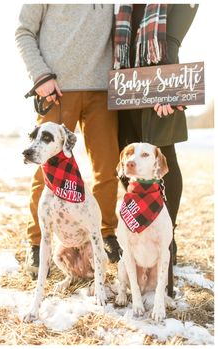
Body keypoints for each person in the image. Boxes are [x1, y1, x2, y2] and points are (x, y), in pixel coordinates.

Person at [15, 4, 121, 279]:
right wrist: (40, 76)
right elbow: (23, 31)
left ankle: (106, 233)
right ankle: (37, 241)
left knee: (107, 169)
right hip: (56, 89)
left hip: (103, 90)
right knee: (45, 168)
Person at [113, 4, 199, 264]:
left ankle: (167, 238)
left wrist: (170, 88)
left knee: (165, 157)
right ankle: (141, 230)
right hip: (125, 85)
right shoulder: (122, 5)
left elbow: (172, 39)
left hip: (158, 84)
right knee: (128, 162)